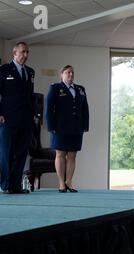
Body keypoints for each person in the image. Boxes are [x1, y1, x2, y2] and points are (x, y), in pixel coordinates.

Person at [0, 42, 35, 194]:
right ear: (14, 53)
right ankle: (7, 185)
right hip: (7, 120)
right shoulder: (3, 70)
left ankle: (16, 185)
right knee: (7, 153)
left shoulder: (30, 72)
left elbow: (30, 97)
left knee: (21, 154)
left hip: (26, 120)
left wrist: (33, 116)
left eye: (27, 52)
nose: (25, 55)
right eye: (22, 52)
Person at [46, 65, 89, 193]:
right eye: (67, 72)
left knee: (72, 155)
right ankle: (61, 183)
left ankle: (69, 182)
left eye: (72, 72)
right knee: (60, 154)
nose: (70, 74)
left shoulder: (80, 89)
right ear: (62, 74)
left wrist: (85, 125)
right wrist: (50, 126)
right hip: (60, 127)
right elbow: (48, 108)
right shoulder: (55, 88)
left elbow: (85, 109)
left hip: (76, 127)